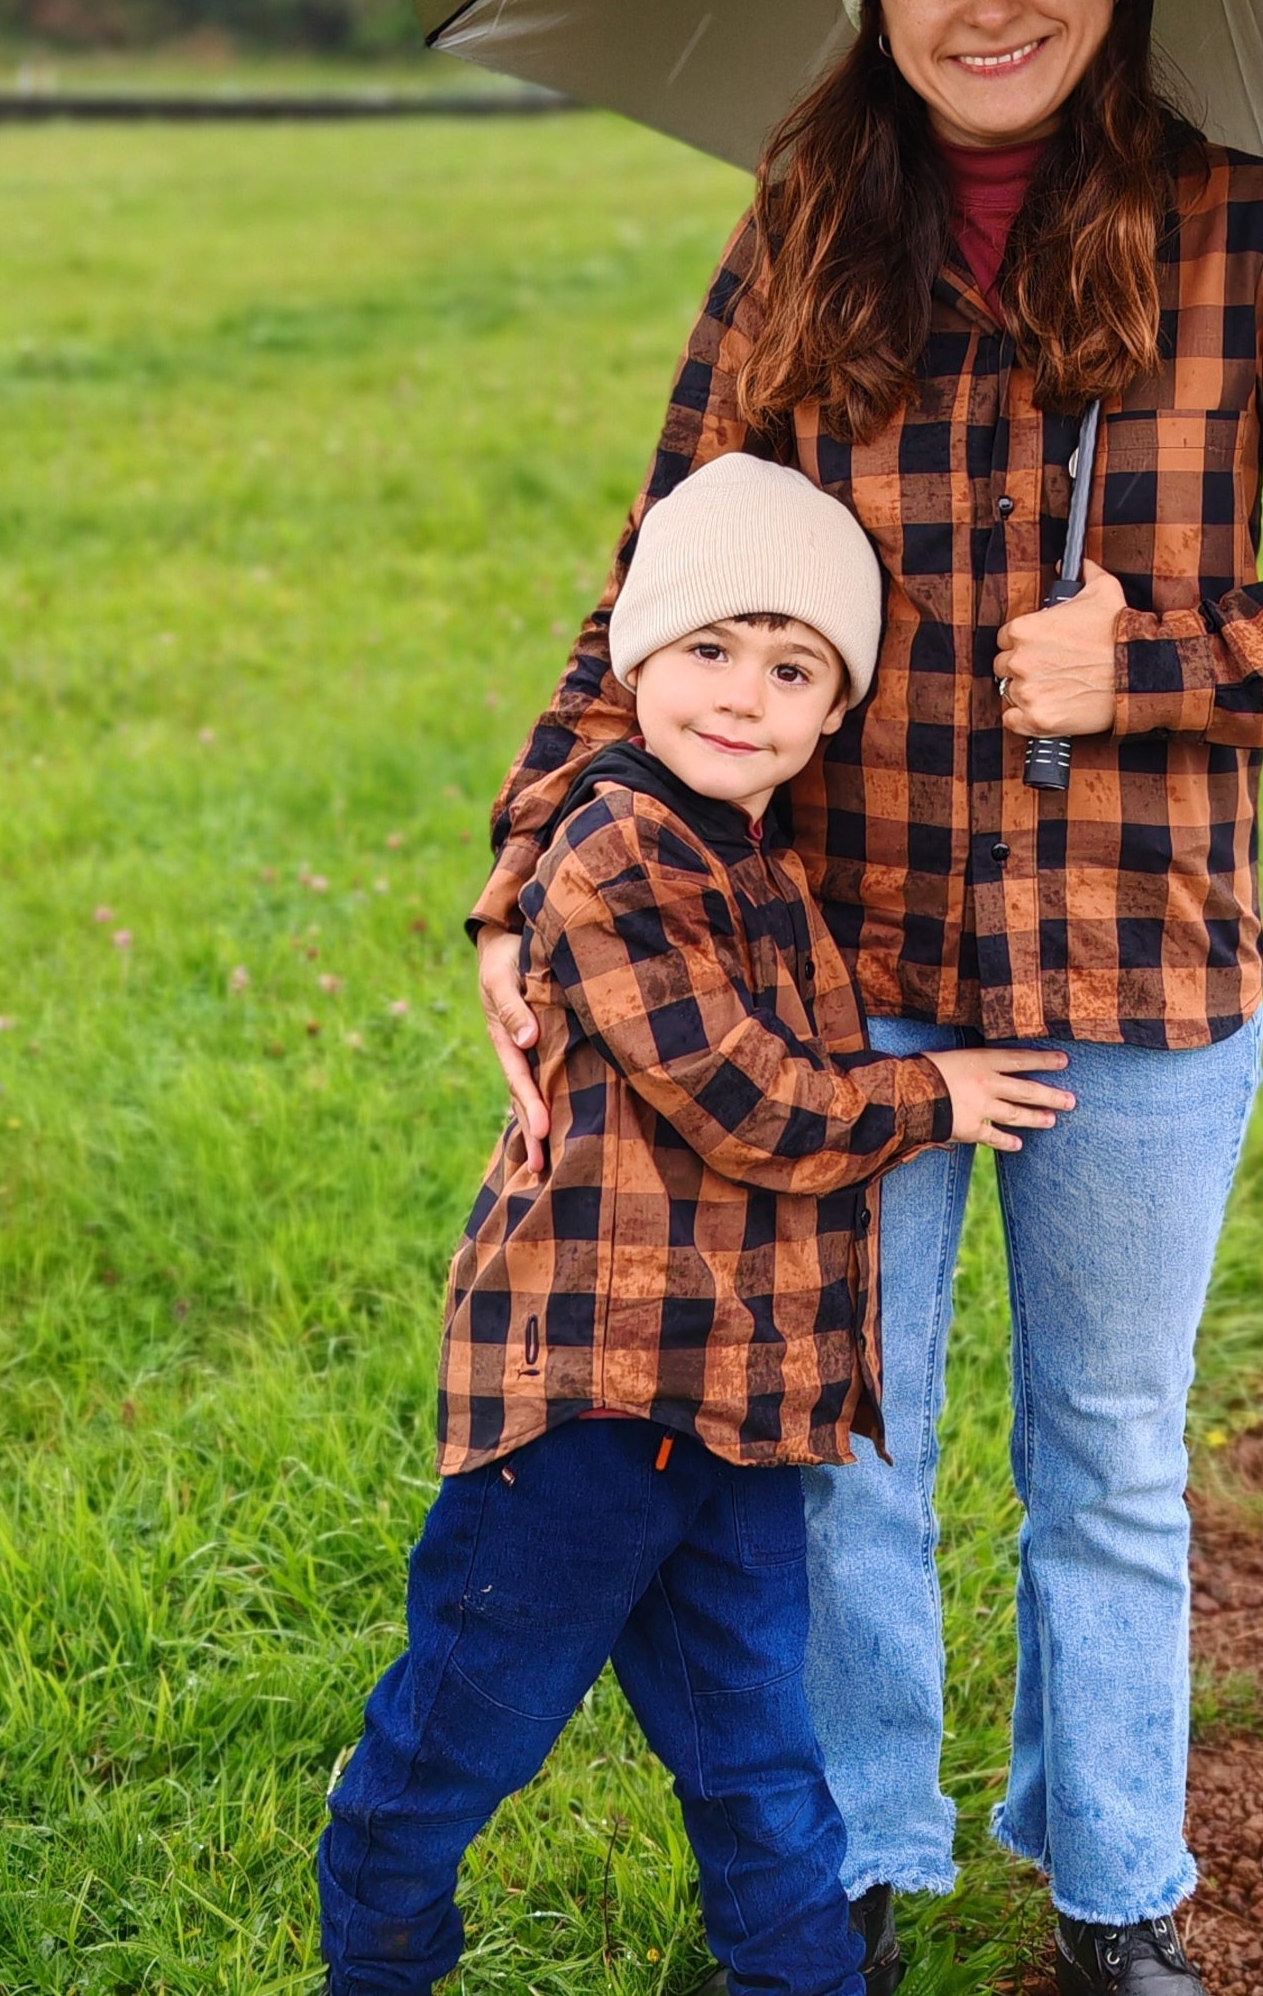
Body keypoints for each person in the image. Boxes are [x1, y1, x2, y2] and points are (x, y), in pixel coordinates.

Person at [472, 0, 1263, 1996]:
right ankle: (851, 1857)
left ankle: (1119, 1896)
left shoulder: (1254, 231)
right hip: (835, 968)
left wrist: (1162, 664)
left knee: (1110, 1456)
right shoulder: (800, 238)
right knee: (842, 1445)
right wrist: (525, 872)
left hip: (1142, 972)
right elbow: (658, 582)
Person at [320, 452, 1076, 1996]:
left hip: (737, 1412)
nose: (744, 695)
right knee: (468, 1727)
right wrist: (931, 1094)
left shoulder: (764, 864)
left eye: (794, 668)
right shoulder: (612, 852)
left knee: (759, 1762)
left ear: (837, 709)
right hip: (592, 1410)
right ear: (638, 660)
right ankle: (379, 1950)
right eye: (711, 649)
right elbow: (750, 1102)